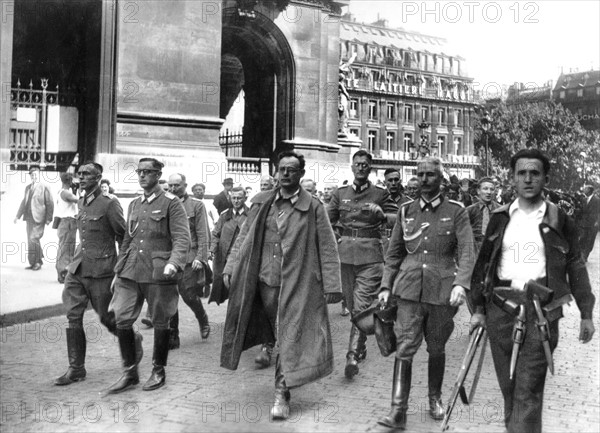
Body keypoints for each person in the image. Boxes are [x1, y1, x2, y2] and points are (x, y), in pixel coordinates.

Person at [469, 149, 595, 433]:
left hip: (541, 314)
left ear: (545, 178)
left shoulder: (559, 219)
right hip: (501, 311)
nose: (528, 179)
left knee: (528, 392)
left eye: (534, 173)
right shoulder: (500, 217)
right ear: (512, 178)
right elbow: (483, 266)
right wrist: (478, 309)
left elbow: (575, 265)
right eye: (522, 173)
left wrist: (586, 313)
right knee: (510, 391)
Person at [220, 151, 342, 420]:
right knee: (271, 332)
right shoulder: (262, 203)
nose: (286, 174)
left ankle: (281, 393)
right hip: (263, 280)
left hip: (298, 282)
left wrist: (333, 284)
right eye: (282, 169)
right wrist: (230, 267)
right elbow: (244, 237)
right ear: (276, 172)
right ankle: (273, 360)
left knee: (289, 335)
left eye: (292, 170)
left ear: (301, 174)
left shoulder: (313, 207)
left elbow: (328, 247)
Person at [377, 156, 476, 430]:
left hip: (442, 292)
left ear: (441, 178)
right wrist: (386, 286)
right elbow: (394, 252)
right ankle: (398, 410)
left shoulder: (456, 211)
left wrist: (461, 284)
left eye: (430, 175)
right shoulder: (406, 210)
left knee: (436, 347)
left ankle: (435, 398)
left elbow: (468, 251)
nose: (423, 179)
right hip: (408, 291)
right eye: (420, 174)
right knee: (405, 347)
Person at [106, 158, 190, 394]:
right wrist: (118, 270)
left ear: (158, 175)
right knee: (121, 317)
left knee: (161, 320)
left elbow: (182, 238)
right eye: (139, 172)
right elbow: (127, 240)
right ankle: (130, 372)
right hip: (131, 270)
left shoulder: (171, 203)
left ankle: (158, 370)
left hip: (158, 271)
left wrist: (174, 263)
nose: (142, 176)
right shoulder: (133, 204)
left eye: (147, 172)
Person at [54, 162, 143, 385]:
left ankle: (133, 339)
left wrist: (121, 269)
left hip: (102, 271)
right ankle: (76, 369)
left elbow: (124, 238)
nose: (81, 177)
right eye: (80, 174)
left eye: (87, 174)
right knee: (73, 315)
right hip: (78, 269)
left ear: (98, 177)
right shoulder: (81, 200)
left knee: (107, 317)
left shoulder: (109, 204)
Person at [327, 149, 398, 379]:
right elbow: (327, 221)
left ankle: (352, 355)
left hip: (370, 256)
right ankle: (362, 343)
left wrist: (382, 215)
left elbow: (399, 220)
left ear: (370, 168)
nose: (360, 168)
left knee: (360, 306)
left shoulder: (380, 194)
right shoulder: (340, 193)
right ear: (352, 166)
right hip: (345, 256)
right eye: (357, 164)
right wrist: (335, 238)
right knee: (350, 302)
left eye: (365, 165)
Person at [167, 173, 211, 349]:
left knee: (188, 294)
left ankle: (202, 317)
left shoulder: (196, 205)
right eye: (170, 185)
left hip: (189, 258)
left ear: (185, 185)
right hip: (169, 258)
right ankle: (173, 335)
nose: (172, 189)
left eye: (176, 185)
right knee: (169, 297)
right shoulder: (165, 204)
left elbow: (202, 233)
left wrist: (201, 257)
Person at [14, 165, 54, 270]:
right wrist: (17, 216)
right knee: (30, 239)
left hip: (39, 218)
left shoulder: (45, 186)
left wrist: (49, 218)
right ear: (30, 176)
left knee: (34, 238)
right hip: (29, 218)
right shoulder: (28, 187)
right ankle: (33, 262)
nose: (34, 177)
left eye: (36, 174)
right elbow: (24, 202)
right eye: (32, 175)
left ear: (39, 175)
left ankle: (38, 262)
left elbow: (50, 203)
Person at [55, 172, 79, 283]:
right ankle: (63, 273)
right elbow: (79, 200)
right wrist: (79, 191)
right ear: (69, 181)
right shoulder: (66, 193)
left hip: (64, 222)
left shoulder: (61, 192)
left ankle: (62, 273)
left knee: (64, 247)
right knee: (67, 249)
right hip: (68, 222)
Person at [467, 177, 500, 252]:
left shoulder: (500, 211)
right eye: (485, 189)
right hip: (474, 250)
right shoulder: (469, 211)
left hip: (494, 250)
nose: (488, 192)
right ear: (478, 191)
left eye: (491, 189)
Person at [578, 184, 600, 261]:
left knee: (589, 241)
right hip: (584, 223)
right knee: (582, 239)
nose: (584, 190)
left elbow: (598, 212)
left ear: (589, 190)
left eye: (585, 189)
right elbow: (581, 211)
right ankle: (581, 255)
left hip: (593, 224)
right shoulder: (584, 199)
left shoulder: (597, 200)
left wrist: (597, 221)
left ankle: (585, 256)